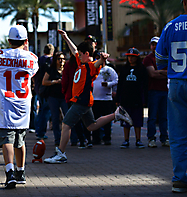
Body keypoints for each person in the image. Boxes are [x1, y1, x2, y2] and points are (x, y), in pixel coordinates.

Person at [44, 30, 133, 164]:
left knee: (66, 124)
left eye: (80, 54)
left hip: (81, 101)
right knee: (91, 126)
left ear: (86, 54)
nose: (77, 56)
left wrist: (103, 58)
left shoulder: (91, 66)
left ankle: (61, 153)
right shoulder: (81, 63)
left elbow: (97, 63)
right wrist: (66, 37)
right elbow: (74, 49)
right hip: (83, 101)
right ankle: (116, 115)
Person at [0, 25, 38, 189]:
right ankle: (21, 171)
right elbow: (31, 73)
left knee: (6, 138)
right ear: (26, 41)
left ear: (8, 40)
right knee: (20, 139)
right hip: (23, 103)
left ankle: (10, 172)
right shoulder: (32, 57)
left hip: (5, 103)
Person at [155, 0, 187, 193]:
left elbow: (160, 58)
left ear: (184, 2)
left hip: (176, 83)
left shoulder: (171, 26)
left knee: (178, 136)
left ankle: (179, 178)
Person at [116, 48, 148, 149]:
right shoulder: (124, 69)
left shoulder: (142, 69)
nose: (130, 58)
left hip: (137, 99)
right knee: (126, 121)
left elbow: (145, 85)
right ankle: (126, 140)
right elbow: (120, 84)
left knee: (137, 121)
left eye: (133, 57)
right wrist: (118, 98)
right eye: (129, 56)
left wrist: (144, 99)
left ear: (137, 58)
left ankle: (138, 140)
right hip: (126, 99)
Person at [143, 36, 169, 148]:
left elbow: (170, 73)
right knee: (152, 116)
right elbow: (152, 74)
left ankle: (164, 138)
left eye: (156, 44)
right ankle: (151, 138)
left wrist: (160, 72)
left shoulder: (166, 57)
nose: (154, 47)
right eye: (153, 44)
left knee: (164, 116)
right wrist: (164, 72)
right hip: (153, 91)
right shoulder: (148, 59)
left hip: (165, 90)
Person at [42, 51, 68, 147]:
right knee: (55, 118)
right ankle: (57, 139)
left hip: (64, 97)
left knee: (68, 117)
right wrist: (55, 82)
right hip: (53, 97)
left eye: (63, 59)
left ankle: (72, 138)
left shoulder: (66, 70)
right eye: (59, 59)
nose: (61, 61)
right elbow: (44, 82)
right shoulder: (51, 70)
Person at [91, 53, 118, 145]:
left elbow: (116, 80)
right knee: (95, 120)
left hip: (106, 98)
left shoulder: (109, 70)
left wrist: (109, 84)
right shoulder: (92, 69)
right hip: (95, 99)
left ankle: (107, 138)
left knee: (107, 120)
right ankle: (96, 138)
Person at [34, 43, 54, 140]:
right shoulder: (52, 61)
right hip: (48, 89)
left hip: (39, 88)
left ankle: (38, 130)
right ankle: (41, 131)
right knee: (46, 111)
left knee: (41, 110)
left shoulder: (38, 60)